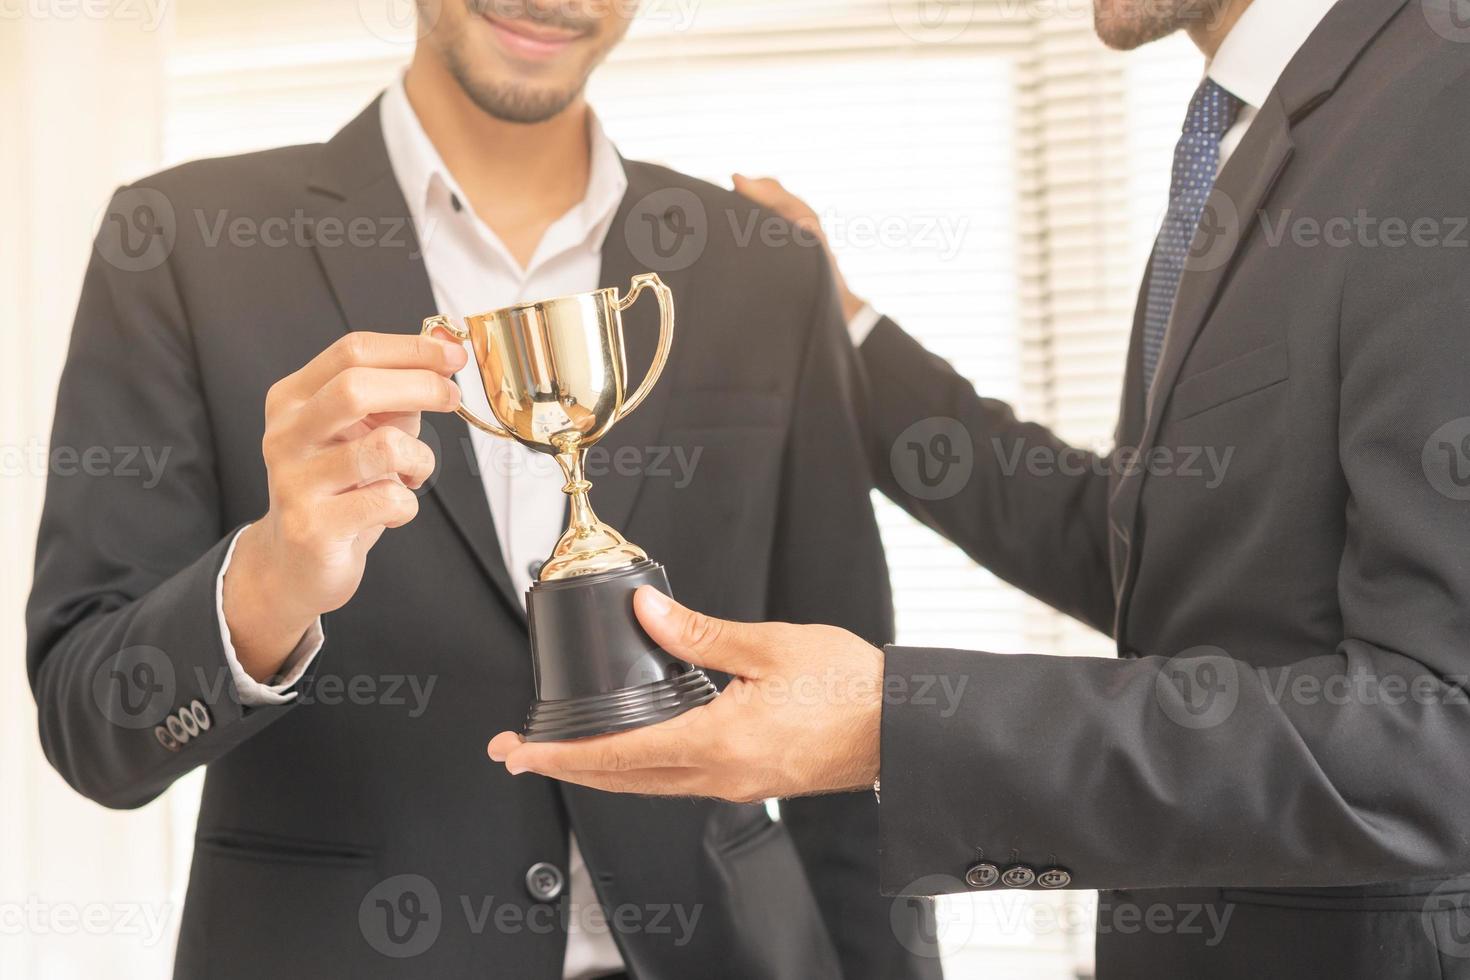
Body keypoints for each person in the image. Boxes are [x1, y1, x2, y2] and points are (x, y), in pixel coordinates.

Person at [490, 0, 1470, 975]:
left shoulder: (1442, 99)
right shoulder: (1259, 129)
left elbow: (1442, 729)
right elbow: (1143, 553)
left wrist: (900, 723)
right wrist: (842, 334)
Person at [26, 2, 941, 977]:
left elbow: (852, 719)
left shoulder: (763, 267)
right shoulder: (178, 242)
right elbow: (97, 729)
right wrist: (270, 576)